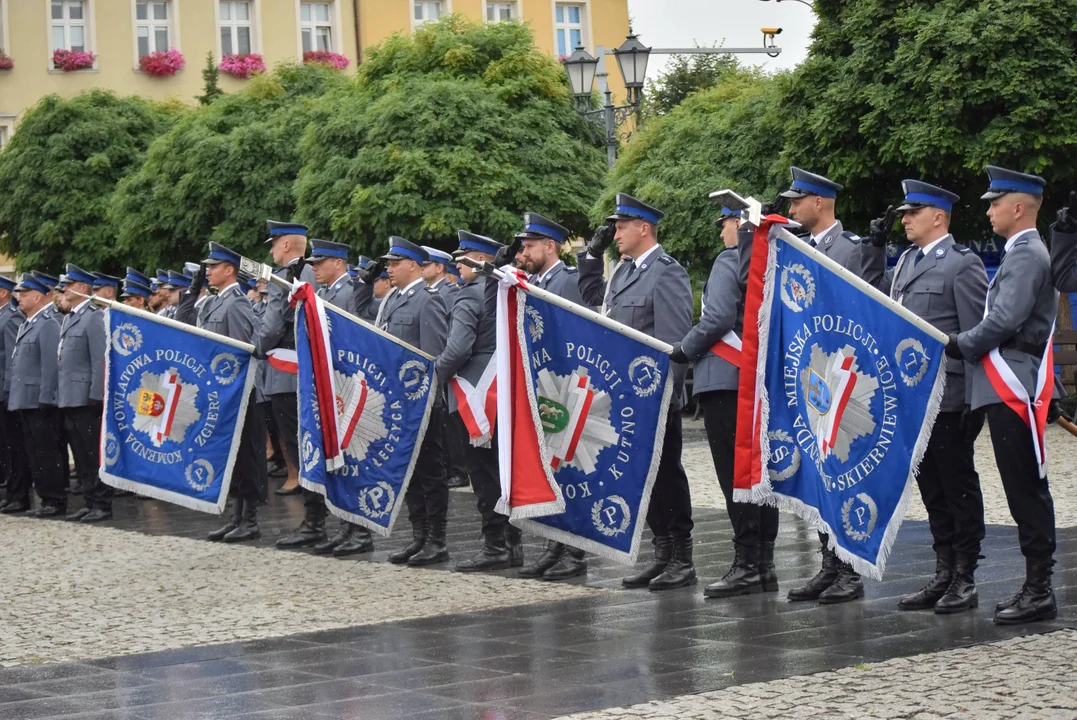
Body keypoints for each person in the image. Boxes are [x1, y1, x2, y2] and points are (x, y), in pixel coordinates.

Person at [863, 180, 989, 613]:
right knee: (931, 487)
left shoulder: (961, 264)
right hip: (912, 399)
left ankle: (966, 575)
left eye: (912, 212)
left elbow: (975, 338)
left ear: (938, 216)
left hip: (950, 395)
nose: (904, 219)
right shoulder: (904, 265)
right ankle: (943, 572)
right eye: (903, 212)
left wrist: (975, 400)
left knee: (958, 486)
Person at [946, 166, 1059, 625]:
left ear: (1017, 207)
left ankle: (1040, 590)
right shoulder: (1020, 252)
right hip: (1003, 379)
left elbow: (1006, 319)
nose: (989, 210)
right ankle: (1036, 586)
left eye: (994, 203)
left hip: (1012, 382)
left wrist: (961, 343)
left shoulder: (1027, 253)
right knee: (1020, 487)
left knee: (1025, 489)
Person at [578, 193, 695, 591]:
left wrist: (664, 397)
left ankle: (682, 557)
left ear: (644, 228)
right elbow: (598, 309)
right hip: (625, 400)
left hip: (654, 399)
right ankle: (661, 552)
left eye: (622, 226)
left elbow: (674, 343)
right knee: (642, 477)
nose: (615, 232)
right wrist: (590, 260)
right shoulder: (624, 273)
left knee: (667, 476)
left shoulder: (667, 272)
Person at [668, 205, 780, 598]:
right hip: (757, 382)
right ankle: (762, 564)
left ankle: (747, 564)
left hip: (723, 382)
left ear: (740, 223)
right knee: (759, 476)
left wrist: (684, 349)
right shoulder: (772, 262)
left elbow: (715, 319)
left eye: (725, 224)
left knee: (736, 476)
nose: (721, 234)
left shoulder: (727, 261)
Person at [510, 212, 591, 582]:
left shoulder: (565, 281)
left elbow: (576, 335)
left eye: (529, 246)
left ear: (550, 246)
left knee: (568, 468)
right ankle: (554, 545)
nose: (523, 252)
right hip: (540, 386)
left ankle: (574, 551)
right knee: (551, 469)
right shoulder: (532, 282)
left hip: (563, 388)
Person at [436, 231, 522, 572]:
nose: (458, 262)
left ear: (484, 260)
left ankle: (496, 546)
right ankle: (511, 542)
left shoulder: (469, 297)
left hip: (476, 394)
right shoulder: (500, 292)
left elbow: (457, 349)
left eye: (466, 255)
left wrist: (436, 373)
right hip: (501, 388)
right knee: (502, 470)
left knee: (483, 475)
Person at [371, 237, 450, 566]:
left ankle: (436, 539)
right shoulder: (391, 299)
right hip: (397, 403)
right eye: (388, 263)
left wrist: (422, 395)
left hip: (422, 403)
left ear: (415, 266)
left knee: (431, 472)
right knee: (410, 472)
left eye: (395, 262)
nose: (388, 268)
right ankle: (419, 535)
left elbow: (434, 355)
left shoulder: (426, 301)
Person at [306, 238, 376, 558]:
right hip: (331, 384)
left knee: (353, 459)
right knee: (338, 458)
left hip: (350, 385)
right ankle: (346, 526)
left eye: (320, 263)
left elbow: (358, 338)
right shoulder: (324, 293)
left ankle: (360, 531)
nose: (315, 269)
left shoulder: (350, 292)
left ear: (338, 263)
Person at [257, 221, 325, 549]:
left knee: (299, 449)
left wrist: (255, 346)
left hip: (286, 375)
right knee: (311, 445)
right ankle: (316, 519)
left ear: (285, 246)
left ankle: (314, 522)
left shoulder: (285, 277)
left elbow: (270, 328)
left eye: (273, 245)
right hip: (307, 373)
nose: (271, 251)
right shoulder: (312, 273)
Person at [200, 243, 267, 543]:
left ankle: (249, 519)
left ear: (230, 270)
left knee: (246, 455)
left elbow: (241, 350)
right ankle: (235, 516)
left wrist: (231, 385)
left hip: (239, 390)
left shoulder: (237, 303)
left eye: (214, 266)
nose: (208, 270)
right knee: (232, 455)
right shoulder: (214, 302)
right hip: (221, 391)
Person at [56, 265, 111, 523]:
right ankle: (89, 501)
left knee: (92, 454)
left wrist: (96, 395)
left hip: (86, 398)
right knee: (80, 455)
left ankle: (101, 503)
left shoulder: (93, 317)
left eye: (69, 284)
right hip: (70, 396)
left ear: (82, 288)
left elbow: (100, 359)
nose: (64, 289)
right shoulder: (70, 317)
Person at [8, 273, 63, 517]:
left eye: (24, 294)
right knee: (33, 451)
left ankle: (54, 499)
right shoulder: (28, 322)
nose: (18, 298)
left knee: (45, 450)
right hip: (25, 398)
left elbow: (50, 365)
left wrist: (46, 397)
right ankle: (44, 497)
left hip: (39, 400)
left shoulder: (48, 323)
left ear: (38, 297)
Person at [422, 246, 470, 492]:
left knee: (452, 419)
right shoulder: (431, 292)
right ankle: (453, 467)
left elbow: (453, 332)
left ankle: (459, 471)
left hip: (450, 363)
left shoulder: (449, 293)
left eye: (426, 265)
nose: (422, 269)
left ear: (439, 267)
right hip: (443, 361)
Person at [0, 275, 30, 514]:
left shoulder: (10, 319)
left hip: (5, 392)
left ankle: (18, 494)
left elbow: (12, 360)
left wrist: (10, 391)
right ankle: (12, 492)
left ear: (2, 293)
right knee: (7, 447)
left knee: (14, 446)